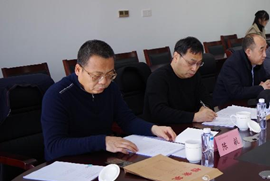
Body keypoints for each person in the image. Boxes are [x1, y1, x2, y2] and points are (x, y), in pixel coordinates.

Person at [42, 40, 175, 161]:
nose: (104, 82)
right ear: (78, 70)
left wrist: (153, 129)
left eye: (110, 74)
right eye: (96, 75)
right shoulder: (57, 95)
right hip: (67, 165)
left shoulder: (111, 88)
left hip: (102, 158)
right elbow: (54, 146)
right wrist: (103, 142)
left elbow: (127, 120)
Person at [143, 37, 216, 124]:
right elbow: (159, 112)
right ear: (176, 56)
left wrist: (205, 108)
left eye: (199, 64)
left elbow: (206, 98)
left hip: (188, 126)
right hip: (163, 129)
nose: (194, 68)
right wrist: (194, 117)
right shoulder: (158, 78)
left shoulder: (194, 76)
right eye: (191, 63)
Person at [213, 34, 270, 107]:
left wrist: (269, 84)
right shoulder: (232, 64)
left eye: (265, 49)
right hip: (227, 106)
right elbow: (236, 93)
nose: (265, 55)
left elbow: (267, 79)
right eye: (261, 50)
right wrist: (261, 88)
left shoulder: (257, 62)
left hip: (249, 102)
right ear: (248, 52)